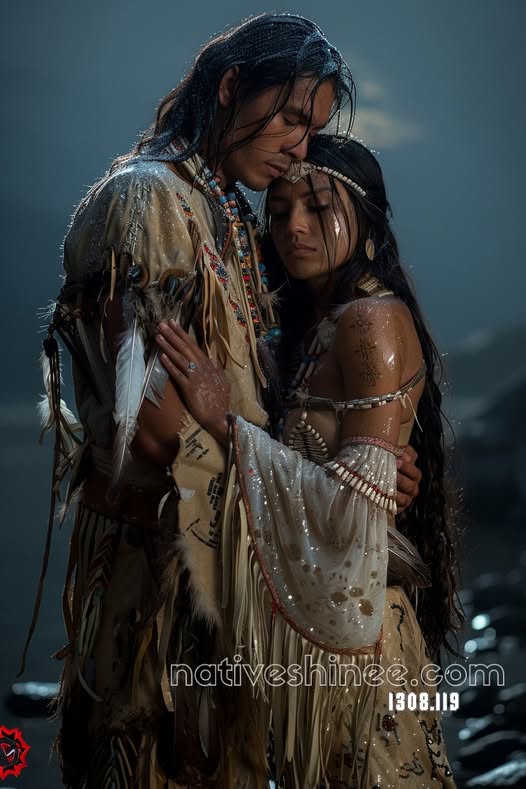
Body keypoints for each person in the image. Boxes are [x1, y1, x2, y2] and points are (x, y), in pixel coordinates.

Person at [25, 13, 421, 788]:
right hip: (158, 594)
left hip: (226, 589)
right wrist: (325, 501)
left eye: (313, 129)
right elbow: (152, 432)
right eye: (292, 117)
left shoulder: (225, 213)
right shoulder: (147, 202)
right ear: (234, 86)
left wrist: (351, 481)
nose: (300, 146)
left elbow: (242, 406)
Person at [155, 134, 462, 788]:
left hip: (359, 641)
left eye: (318, 208)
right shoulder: (312, 326)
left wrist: (224, 421)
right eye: (279, 211)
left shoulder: (369, 320)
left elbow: (353, 509)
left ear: (367, 220)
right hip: (320, 629)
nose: (293, 226)